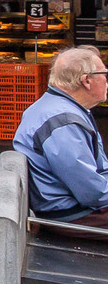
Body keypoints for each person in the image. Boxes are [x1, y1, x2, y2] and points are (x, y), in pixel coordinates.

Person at [14, 45, 108, 223]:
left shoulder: (56, 107)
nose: (106, 81)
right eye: (104, 74)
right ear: (86, 81)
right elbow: (91, 192)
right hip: (72, 214)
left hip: (72, 207)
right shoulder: (63, 122)